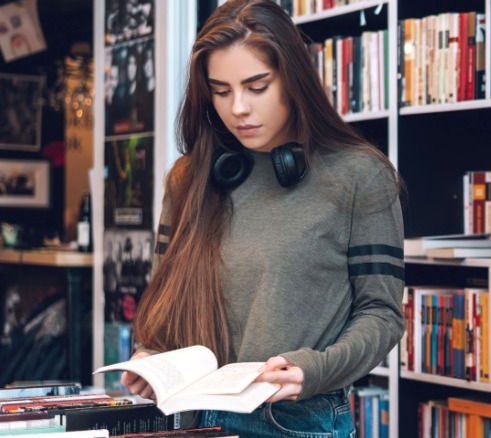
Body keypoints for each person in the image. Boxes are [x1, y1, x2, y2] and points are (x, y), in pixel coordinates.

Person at [120, 1, 405, 437]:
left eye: (257, 86)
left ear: (293, 80)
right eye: (220, 90)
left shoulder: (359, 176)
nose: (238, 108)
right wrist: (150, 357)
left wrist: (312, 370)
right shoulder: (189, 179)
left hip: (295, 420)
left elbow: (381, 313)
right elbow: (165, 304)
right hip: (190, 419)